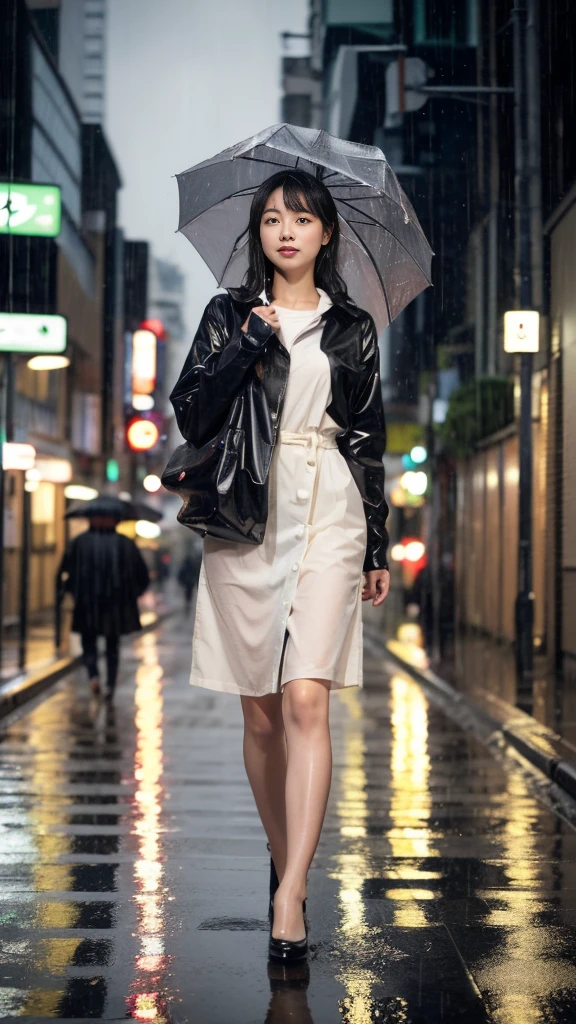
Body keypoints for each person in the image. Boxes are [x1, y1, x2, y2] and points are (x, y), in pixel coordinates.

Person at [170, 169, 390, 961]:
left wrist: (375, 541)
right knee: (258, 707)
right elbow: (192, 408)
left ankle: (291, 890)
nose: (285, 231)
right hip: (247, 510)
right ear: (257, 234)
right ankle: (284, 848)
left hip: (327, 501)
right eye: (271, 220)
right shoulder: (229, 314)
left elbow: (367, 436)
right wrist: (250, 344)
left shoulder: (354, 326)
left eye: (301, 219)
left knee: (304, 699)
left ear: (326, 232)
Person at [58, 514, 150, 700]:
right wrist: (133, 594)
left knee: (88, 644)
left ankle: (94, 675)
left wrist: (72, 592)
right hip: (115, 607)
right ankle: (110, 686)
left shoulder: (79, 542)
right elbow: (142, 575)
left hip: (87, 604)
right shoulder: (125, 544)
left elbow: (65, 572)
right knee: (112, 647)